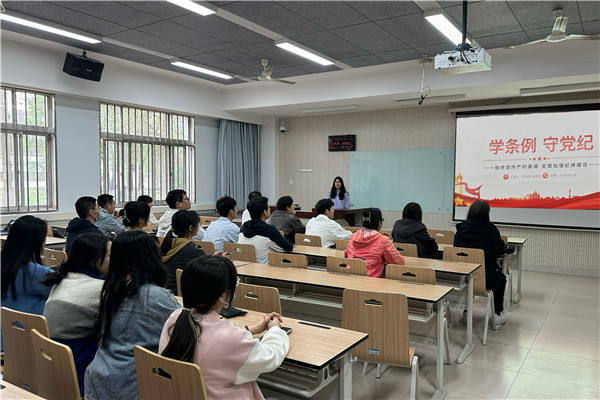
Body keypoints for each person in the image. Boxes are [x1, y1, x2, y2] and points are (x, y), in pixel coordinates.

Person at [159, 255, 289, 399]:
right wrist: (275, 330)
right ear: (223, 295)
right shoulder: (229, 338)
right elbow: (270, 358)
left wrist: (250, 330)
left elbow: (216, 340)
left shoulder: (175, 318)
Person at [84, 230, 180, 400]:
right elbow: (190, 329)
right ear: (151, 256)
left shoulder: (110, 290)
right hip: (132, 387)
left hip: (97, 380)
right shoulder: (157, 296)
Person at [42, 233, 111, 396]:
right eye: (110, 255)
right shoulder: (99, 288)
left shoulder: (63, 279)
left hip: (52, 366)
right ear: (94, 260)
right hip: (78, 370)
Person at [454, 200, 509, 329]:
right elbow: (500, 249)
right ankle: (497, 314)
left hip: (463, 280)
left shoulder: (460, 230)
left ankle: (467, 312)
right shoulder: (491, 230)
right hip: (486, 281)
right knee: (501, 279)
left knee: (471, 276)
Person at [1, 215, 53, 316]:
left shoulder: (4, 264)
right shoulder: (39, 273)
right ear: (37, 241)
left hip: (5, 322)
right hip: (30, 324)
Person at [344, 208, 404, 278]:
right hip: (370, 281)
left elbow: (346, 255)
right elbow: (398, 262)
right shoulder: (383, 240)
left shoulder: (353, 236)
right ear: (379, 223)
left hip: (350, 279)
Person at [160, 210, 206, 294]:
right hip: (179, 292)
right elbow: (207, 268)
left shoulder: (170, 242)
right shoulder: (192, 250)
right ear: (191, 228)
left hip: (164, 289)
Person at [238, 196, 293, 263]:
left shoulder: (243, 227)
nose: (270, 209)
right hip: (264, 267)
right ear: (264, 212)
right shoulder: (269, 230)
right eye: (268, 207)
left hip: (244, 265)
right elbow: (288, 247)